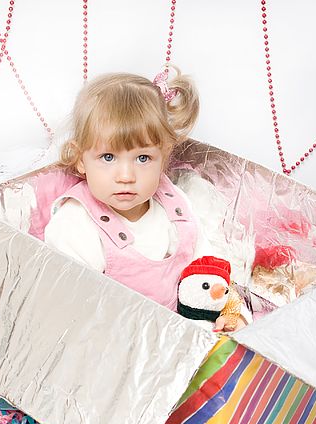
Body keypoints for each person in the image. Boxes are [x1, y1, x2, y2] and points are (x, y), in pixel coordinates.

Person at [44, 66, 248, 330]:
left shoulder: (175, 207)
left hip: (183, 338)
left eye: (143, 158)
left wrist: (233, 314)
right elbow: (78, 318)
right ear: (81, 158)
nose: (126, 176)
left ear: (163, 156)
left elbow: (206, 269)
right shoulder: (74, 226)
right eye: (108, 157)